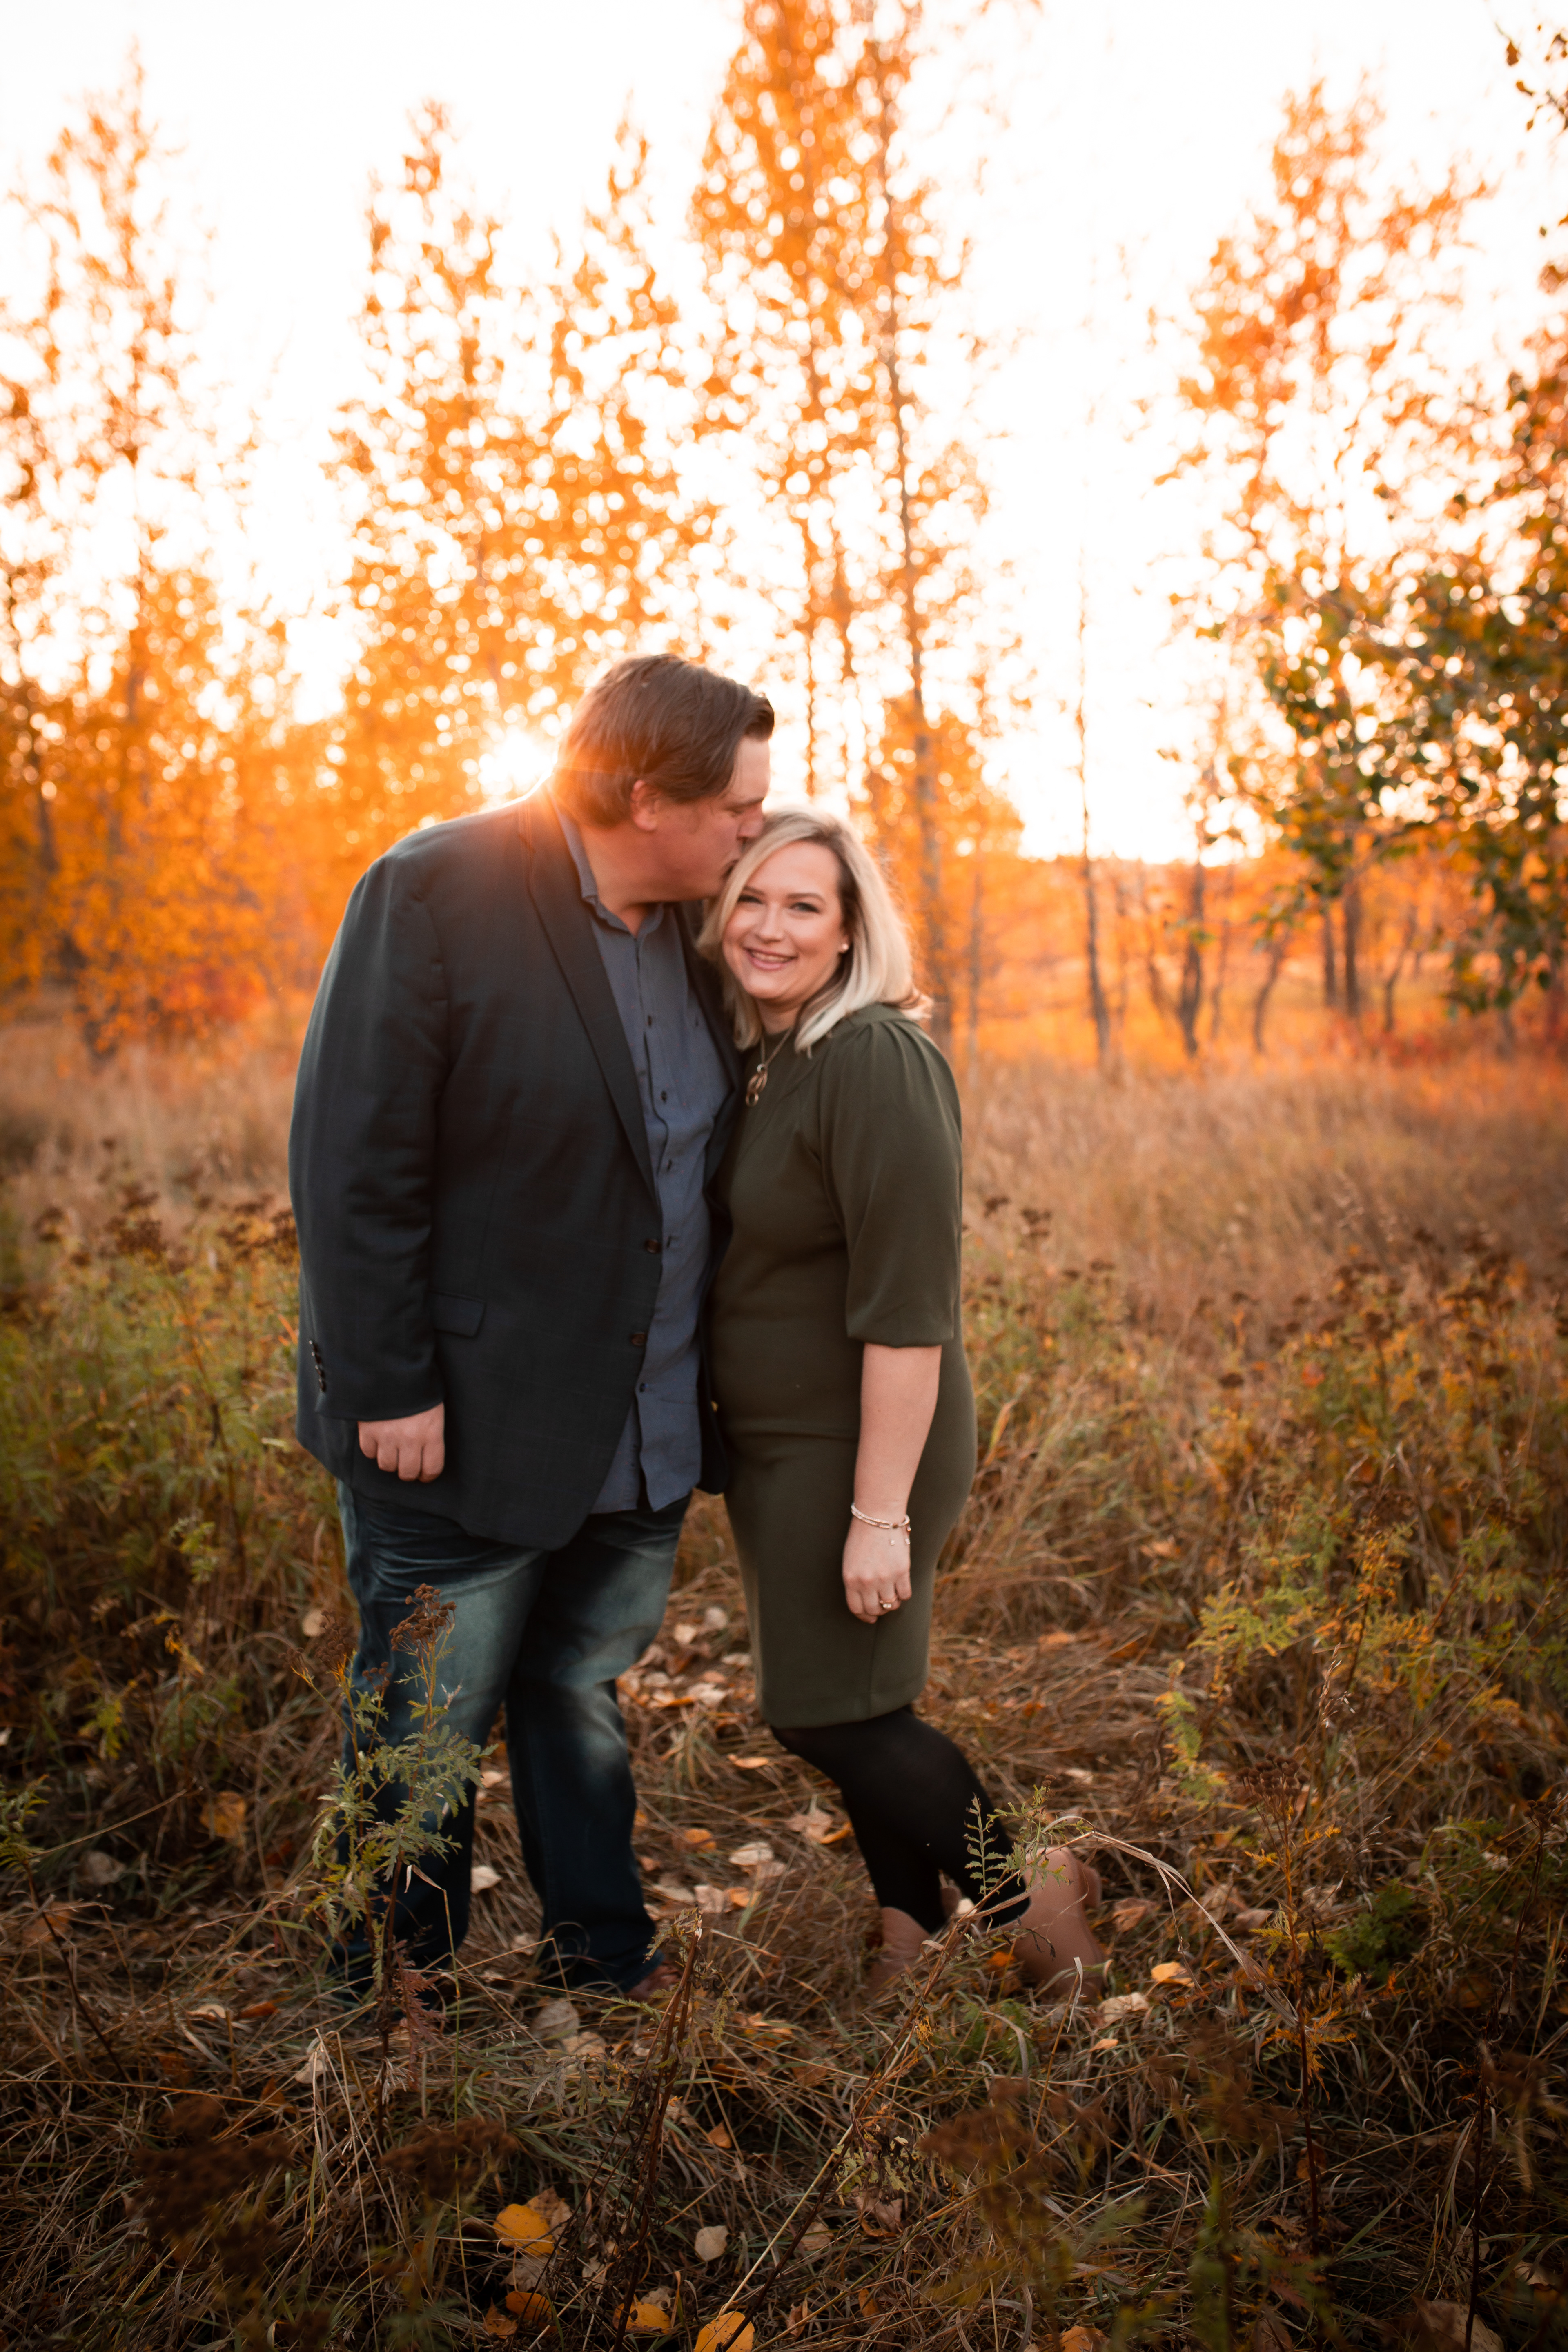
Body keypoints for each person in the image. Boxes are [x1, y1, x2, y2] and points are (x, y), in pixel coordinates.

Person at [289, 653, 773, 2001]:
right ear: (640, 795)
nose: (754, 830)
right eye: (736, 807)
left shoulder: (702, 928)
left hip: (644, 1423)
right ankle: (388, 1995)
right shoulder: (439, 887)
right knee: (422, 1722)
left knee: (578, 1701)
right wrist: (389, 1385)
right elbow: (352, 1160)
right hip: (454, 1421)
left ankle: (603, 1970)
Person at [700, 808, 1104, 1994]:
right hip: (782, 1448)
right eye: (751, 901)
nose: (769, 928)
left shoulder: (877, 1059)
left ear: (849, 932)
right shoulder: (774, 1061)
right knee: (858, 1697)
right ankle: (906, 1934)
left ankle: (1039, 1903)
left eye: (803, 906)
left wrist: (880, 1512)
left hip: (862, 1442)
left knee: (829, 1715)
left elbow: (909, 1312)